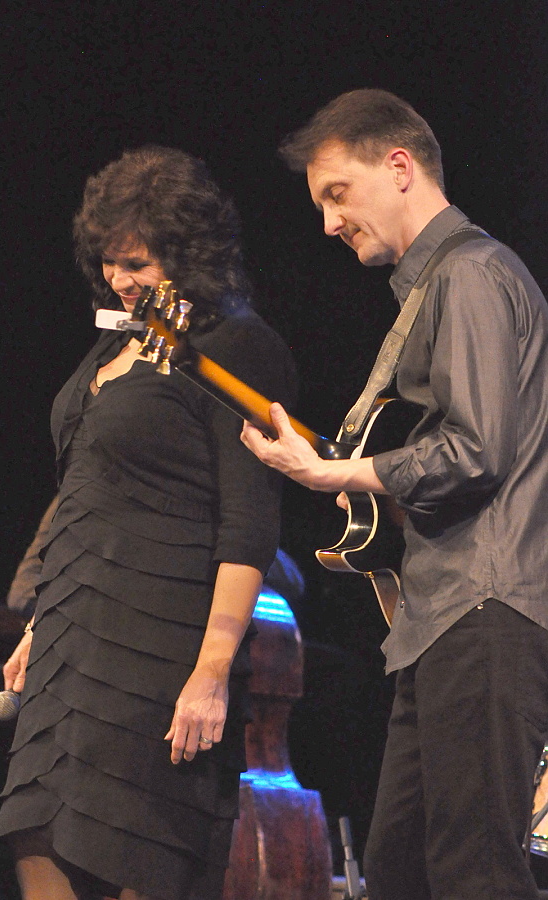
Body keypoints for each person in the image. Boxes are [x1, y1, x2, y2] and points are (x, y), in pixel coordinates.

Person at [241, 88, 548, 899]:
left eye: (338, 193)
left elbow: (477, 451)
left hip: (484, 608)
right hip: (441, 616)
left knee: (477, 873)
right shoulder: (434, 287)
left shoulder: (473, 274)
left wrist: (337, 474)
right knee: (402, 871)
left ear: (400, 166)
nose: (328, 222)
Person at [0, 145, 297, 900]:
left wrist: (212, 670)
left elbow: (249, 522)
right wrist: (43, 623)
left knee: (143, 852)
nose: (118, 280)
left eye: (137, 264)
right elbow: (87, 492)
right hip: (72, 646)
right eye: (108, 263)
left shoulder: (235, 347)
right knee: (37, 835)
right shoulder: (122, 337)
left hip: (161, 648)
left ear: (188, 255)